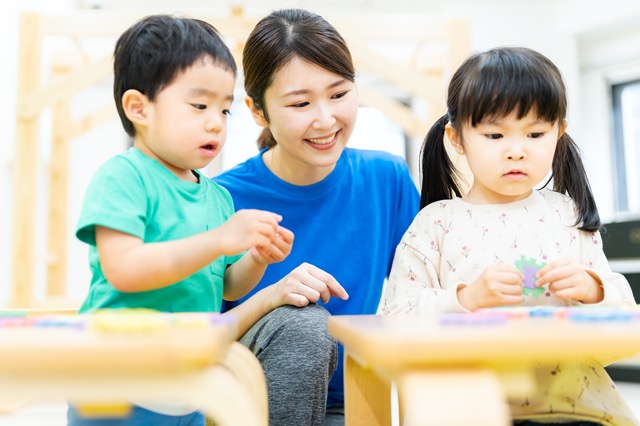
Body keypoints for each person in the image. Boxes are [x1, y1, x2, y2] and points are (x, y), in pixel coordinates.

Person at [382, 46, 638, 425]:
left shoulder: (566, 214)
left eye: (535, 133)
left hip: (574, 405)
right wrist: (466, 299)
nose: (516, 151)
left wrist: (593, 289)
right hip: (467, 408)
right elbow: (393, 322)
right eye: (495, 134)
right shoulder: (436, 223)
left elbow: (622, 329)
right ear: (456, 138)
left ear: (558, 133)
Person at [70, 15, 293, 426]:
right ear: (139, 108)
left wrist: (258, 257)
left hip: (189, 381)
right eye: (199, 105)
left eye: (225, 110)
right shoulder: (124, 176)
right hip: (115, 380)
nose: (216, 122)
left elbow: (226, 284)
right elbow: (124, 269)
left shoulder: (218, 197)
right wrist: (218, 240)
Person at [213, 8, 420, 426]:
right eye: (300, 103)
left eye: (339, 94)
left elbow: (425, 293)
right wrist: (272, 297)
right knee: (302, 323)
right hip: (248, 405)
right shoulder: (224, 198)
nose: (326, 119)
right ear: (257, 111)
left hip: (356, 400)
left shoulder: (387, 179)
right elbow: (202, 334)